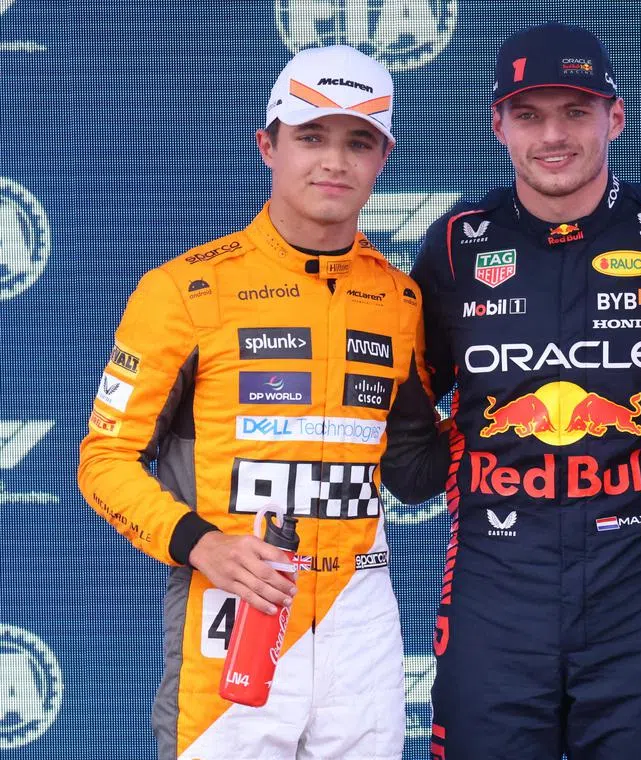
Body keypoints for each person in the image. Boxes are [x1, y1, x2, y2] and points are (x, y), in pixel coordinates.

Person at [77, 45, 442, 760]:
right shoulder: (183, 291)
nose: (334, 161)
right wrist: (200, 543)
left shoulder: (399, 299)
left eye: (358, 141)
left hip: (359, 615)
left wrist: (516, 411)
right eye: (311, 136)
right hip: (231, 605)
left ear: (384, 158)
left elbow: (414, 468)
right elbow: (104, 461)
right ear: (267, 146)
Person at [404, 21, 641, 760]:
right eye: (529, 115)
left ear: (616, 116)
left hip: (636, 596)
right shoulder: (457, 244)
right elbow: (407, 410)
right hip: (493, 594)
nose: (553, 135)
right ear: (498, 126)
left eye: (575, 111)